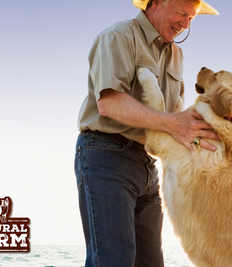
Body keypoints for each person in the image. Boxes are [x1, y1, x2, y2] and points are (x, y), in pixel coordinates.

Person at [74, 0, 219, 266]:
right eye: (181, 12)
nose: (186, 23)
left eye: (192, 18)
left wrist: (212, 134)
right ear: (157, 2)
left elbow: (176, 119)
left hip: (149, 166)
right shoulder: (119, 36)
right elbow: (109, 103)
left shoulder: (177, 55)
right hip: (105, 156)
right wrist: (174, 123)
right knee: (113, 261)